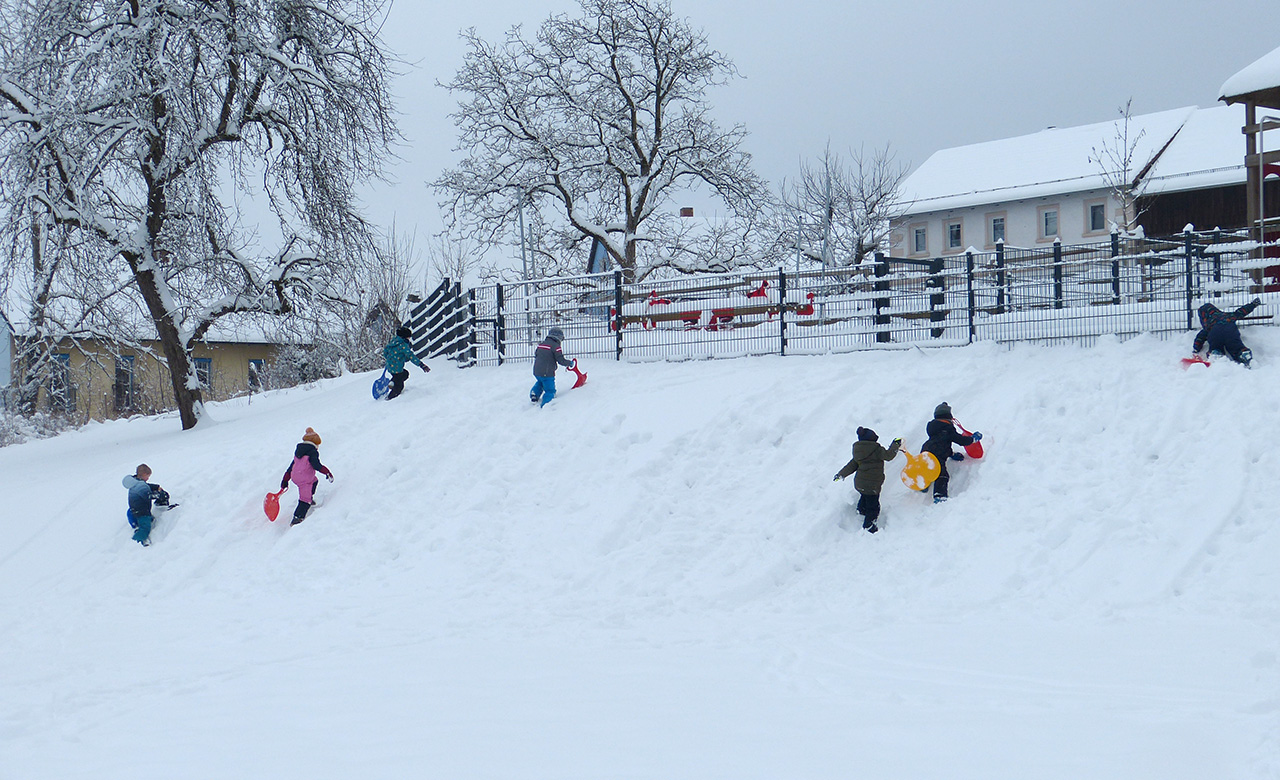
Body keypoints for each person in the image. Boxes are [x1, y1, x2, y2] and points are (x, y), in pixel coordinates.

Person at [833, 427, 902, 533]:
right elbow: (889, 456)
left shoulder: (858, 453)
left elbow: (851, 466)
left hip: (860, 484)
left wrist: (841, 474)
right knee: (873, 507)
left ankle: (861, 510)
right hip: (872, 484)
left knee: (865, 496)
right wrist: (895, 445)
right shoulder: (877, 450)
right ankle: (869, 525)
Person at [921, 402, 981, 504]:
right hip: (937, 454)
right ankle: (939, 495)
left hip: (926, 449)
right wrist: (972, 439)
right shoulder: (948, 429)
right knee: (942, 475)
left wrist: (951, 454)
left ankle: (923, 484)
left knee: (926, 467)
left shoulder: (933, 427)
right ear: (949, 416)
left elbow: (942, 444)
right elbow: (960, 440)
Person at [280, 428, 334, 525]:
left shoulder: (298, 452)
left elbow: (291, 467)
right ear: (315, 444)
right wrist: (327, 472)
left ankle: (310, 496)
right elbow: (316, 465)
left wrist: (285, 480)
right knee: (305, 500)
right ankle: (297, 518)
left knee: (315, 481)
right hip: (304, 479)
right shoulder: (312, 452)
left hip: (295, 476)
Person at [1192, 298, 1262, 367]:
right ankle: (1244, 354)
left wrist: (1196, 348)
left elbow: (1200, 338)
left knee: (1215, 346)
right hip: (1230, 331)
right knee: (1236, 347)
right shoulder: (1228, 315)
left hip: (1215, 333)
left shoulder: (1208, 323)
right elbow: (1241, 312)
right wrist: (1253, 304)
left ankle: (1216, 355)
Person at [122, 464, 171, 547]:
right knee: (145, 528)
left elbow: (146, 486)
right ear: (144, 475)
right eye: (147, 476)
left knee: (149, 519)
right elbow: (148, 495)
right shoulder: (140, 486)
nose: (148, 478)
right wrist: (159, 494)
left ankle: (137, 525)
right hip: (142, 512)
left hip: (133, 510)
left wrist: (156, 487)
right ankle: (135, 541)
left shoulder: (135, 482)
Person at [530, 327, 573, 407]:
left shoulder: (541, 344)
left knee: (540, 382)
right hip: (547, 372)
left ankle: (534, 394)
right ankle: (546, 403)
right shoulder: (556, 346)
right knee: (550, 389)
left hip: (536, 370)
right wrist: (569, 363)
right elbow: (560, 360)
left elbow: (536, 354)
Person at [383, 325, 429, 399]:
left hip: (390, 366)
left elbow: (385, 352)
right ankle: (389, 398)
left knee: (405, 374)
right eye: (409, 337)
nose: (409, 339)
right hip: (397, 369)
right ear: (405, 337)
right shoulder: (403, 345)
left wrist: (390, 359)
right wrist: (421, 365)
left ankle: (392, 382)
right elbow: (411, 356)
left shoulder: (393, 342)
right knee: (399, 386)